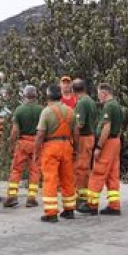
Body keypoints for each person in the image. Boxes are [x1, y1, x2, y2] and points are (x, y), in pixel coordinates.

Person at [34, 84, 78, 223]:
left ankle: (51, 213)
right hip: (67, 146)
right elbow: (76, 132)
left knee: (50, 179)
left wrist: (36, 151)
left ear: (48, 97)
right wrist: (75, 148)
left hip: (51, 146)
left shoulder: (46, 112)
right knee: (68, 178)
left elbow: (40, 134)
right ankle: (69, 210)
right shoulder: (70, 111)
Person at [77, 83, 123, 216]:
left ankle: (91, 204)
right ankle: (114, 205)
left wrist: (99, 146)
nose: (98, 97)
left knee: (98, 172)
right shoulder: (118, 106)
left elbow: (106, 128)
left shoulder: (109, 106)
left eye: (98, 94)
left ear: (104, 93)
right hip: (115, 141)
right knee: (112, 174)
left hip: (108, 143)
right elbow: (118, 128)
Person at [4, 85, 43, 208]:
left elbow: (15, 131)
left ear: (24, 96)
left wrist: (11, 145)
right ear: (36, 95)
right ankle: (31, 198)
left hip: (23, 143)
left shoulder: (19, 110)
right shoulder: (41, 110)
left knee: (16, 170)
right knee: (35, 171)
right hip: (37, 143)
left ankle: (12, 196)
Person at [72, 78, 97, 206]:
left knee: (81, 168)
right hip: (90, 137)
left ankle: (81, 198)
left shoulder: (81, 103)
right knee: (86, 168)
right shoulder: (91, 101)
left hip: (84, 138)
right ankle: (85, 195)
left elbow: (79, 125)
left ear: (73, 91)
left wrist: (75, 144)